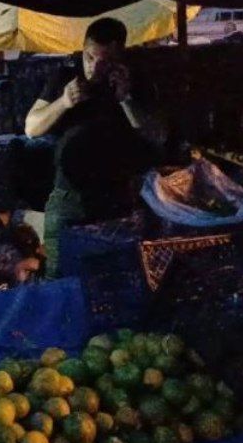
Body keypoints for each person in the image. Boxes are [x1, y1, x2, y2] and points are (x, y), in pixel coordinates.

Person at [24, 18, 157, 278]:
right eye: (89, 57)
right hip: (68, 197)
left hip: (116, 198)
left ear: (119, 58)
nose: (94, 67)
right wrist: (63, 102)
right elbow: (31, 127)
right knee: (59, 279)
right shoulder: (66, 77)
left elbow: (156, 135)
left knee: (112, 278)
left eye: (104, 61)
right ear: (83, 49)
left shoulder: (133, 82)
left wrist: (126, 100)